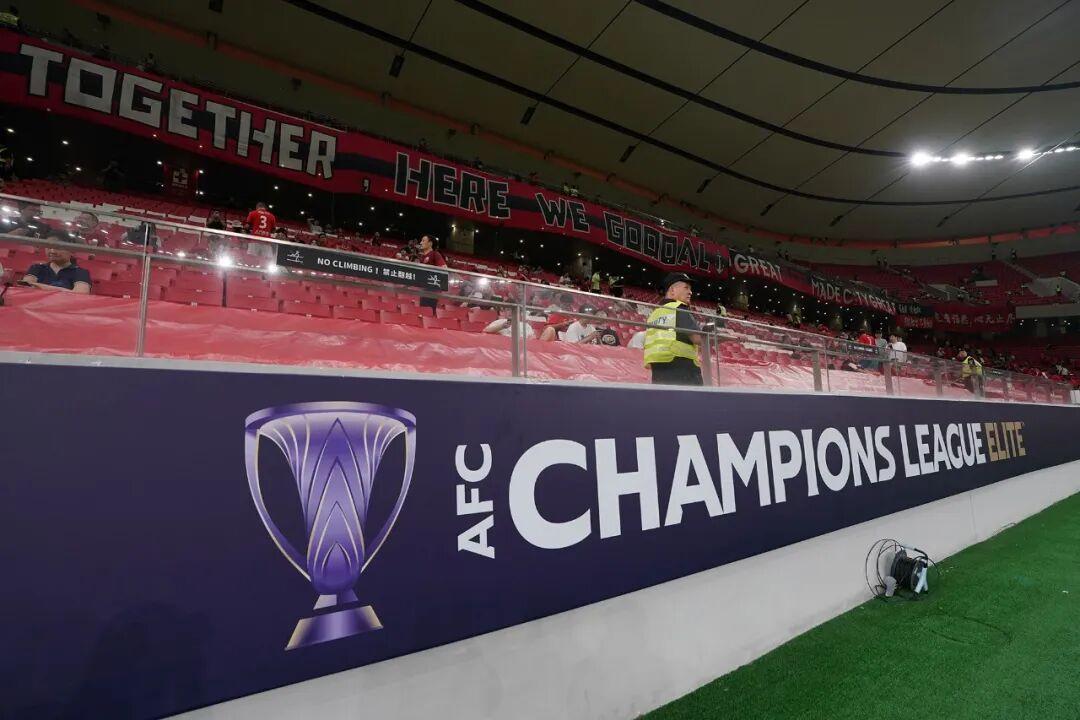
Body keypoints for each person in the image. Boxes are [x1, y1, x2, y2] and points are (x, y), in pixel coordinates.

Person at [643, 272, 703, 386]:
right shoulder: (678, 308)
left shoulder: (654, 314)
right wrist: (720, 338)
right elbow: (698, 339)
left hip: (658, 371)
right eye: (686, 287)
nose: (690, 292)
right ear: (672, 290)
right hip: (684, 371)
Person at [21, 243, 92, 293]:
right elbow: (25, 289)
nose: (52, 251)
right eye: (49, 247)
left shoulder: (81, 273)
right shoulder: (36, 268)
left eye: (58, 248)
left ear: (72, 251)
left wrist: (39, 286)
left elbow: (80, 295)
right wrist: (65, 291)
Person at [417, 235, 448, 311]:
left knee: (428, 311)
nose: (420, 243)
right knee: (423, 311)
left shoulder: (435, 254)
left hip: (433, 289)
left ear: (430, 243)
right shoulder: (422, 257)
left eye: (423, 241)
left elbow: (444, 268)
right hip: (425, 288)